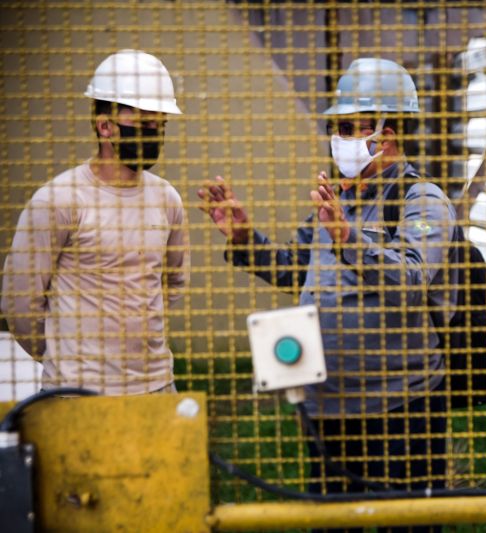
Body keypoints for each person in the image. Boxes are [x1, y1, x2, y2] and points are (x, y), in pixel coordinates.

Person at [199, 58, 456, 530]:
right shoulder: (337, 198)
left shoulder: (421, 199)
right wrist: (243, 239)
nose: (337, 137)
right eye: (334, 126)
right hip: (330, 405)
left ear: (387, 131)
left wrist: (346, 237)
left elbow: (413, 279)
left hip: (400, 408)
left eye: (348, 126)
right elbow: (293, 269)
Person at [1, 49, 189, 395]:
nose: (154, 132)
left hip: (157, 386)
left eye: (159, 124)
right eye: (144, 122)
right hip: (78, 392)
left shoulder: (167, 200)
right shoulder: (59, 200)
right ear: (105, 126)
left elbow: (171, 284)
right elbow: (20, 301)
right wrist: (65, 360)